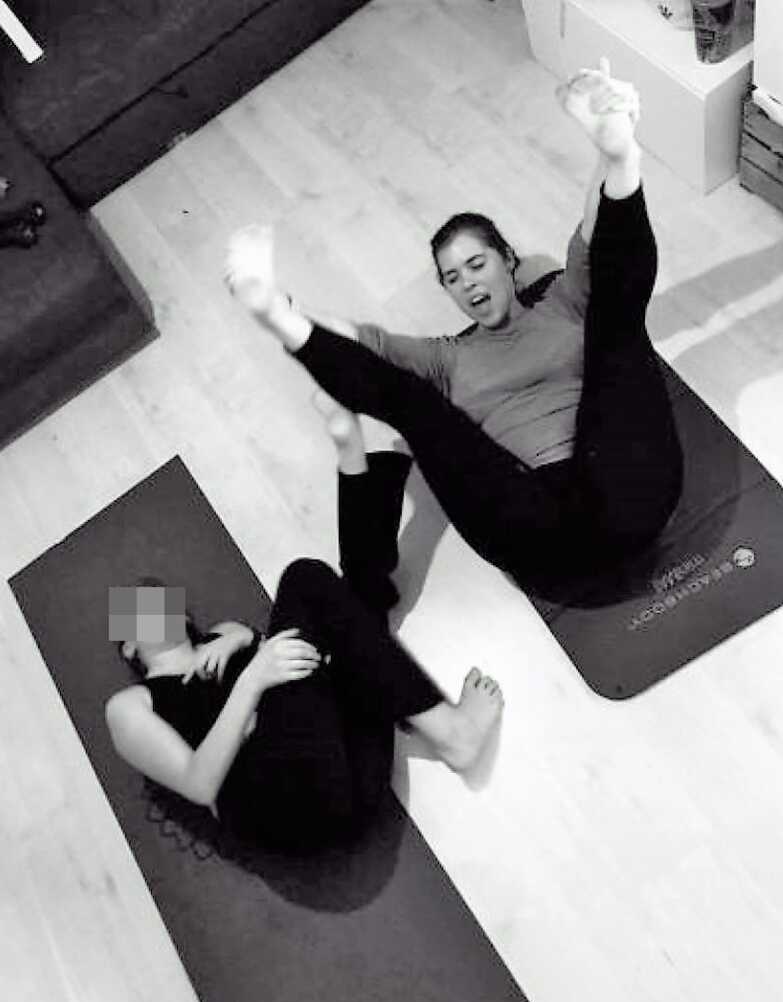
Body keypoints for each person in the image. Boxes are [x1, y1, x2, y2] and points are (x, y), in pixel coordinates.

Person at [222, 60, 684, 586]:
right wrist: (287, 307)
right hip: (536, 530)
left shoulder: (564, 300)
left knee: (618, 320)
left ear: (507, 259)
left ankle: (627, 158)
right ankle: (273, 317)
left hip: (628, 485)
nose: (466, 283)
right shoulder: (447, 357)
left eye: (476, 264)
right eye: (451, 278)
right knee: (415, 408)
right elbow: (367, 342)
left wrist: (609, 156)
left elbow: (596, 236)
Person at [105, 406, 503, 852]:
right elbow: (198, 784)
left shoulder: (224, 638)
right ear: (128, 645)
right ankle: (452, 734)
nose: (158, 609)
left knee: (353, 611)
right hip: (286, 807)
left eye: (163, 601)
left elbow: (300, 677)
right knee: (303, 579)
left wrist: (244, 639)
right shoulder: (130, 706)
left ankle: (361, 469)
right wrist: (252, 678)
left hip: (354, 780)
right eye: (142, 609)